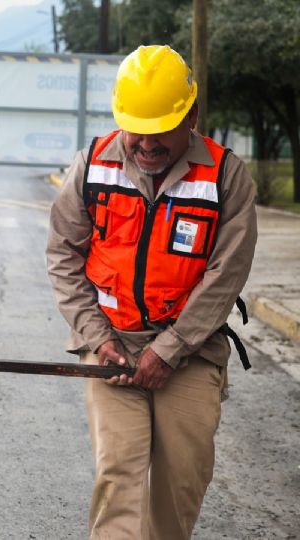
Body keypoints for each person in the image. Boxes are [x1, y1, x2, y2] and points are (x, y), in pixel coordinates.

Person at [46, 45, 257, 539]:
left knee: (178, 487)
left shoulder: (226, 176)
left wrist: (170, 349)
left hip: (191, 349)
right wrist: (99, 340)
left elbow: (227, 273)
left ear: (192, 115)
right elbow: (63, 256)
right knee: (118, 474)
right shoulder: (93, 165)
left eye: (160, 125)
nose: (145, 141)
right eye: (135, 124)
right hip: (112, 346)